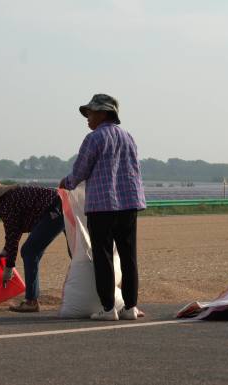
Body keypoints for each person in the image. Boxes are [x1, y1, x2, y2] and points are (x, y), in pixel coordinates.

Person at [59, 93, 147, 321]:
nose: (88, 117)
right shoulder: (128, 137)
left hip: (102, 206)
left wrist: (66, 183)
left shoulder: (94, 138)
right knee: (128, 256)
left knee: (103, 256)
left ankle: (108, 308)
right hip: (129, 204)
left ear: (104, 113)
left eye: (91, 112)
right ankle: (130, 307)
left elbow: (80, 171)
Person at [0, 178, 65, 312]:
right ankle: (32, 298)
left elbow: (13, 235)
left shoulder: (6, 205)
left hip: (55, 211)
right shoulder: (10, 199)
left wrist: (9, 268)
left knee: (29, 252)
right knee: (32, 253)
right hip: (59, 207)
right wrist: (5, 251)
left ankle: (31, 301)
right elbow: (15, 231)